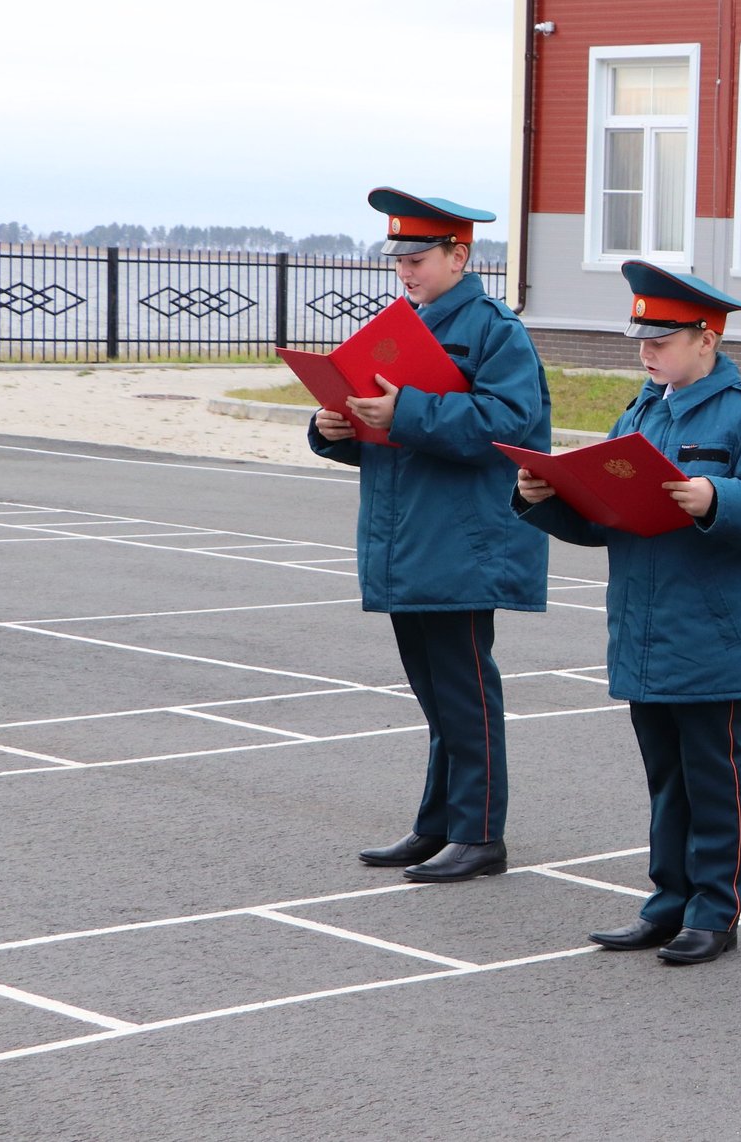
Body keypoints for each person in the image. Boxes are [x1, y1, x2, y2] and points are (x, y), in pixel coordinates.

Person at [514, 261, 741, 965]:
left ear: (707, 339)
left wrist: (717, 499)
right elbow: (606, 517)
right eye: (641, 339)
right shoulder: (641, 409)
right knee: (665, 775)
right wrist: (543, 497)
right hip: (647, 625)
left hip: (713, 628)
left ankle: (714, 909)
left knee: (713, 773)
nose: (647, 352)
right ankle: (667, 901)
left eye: (662, 339)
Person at [313, 187, 550, 884]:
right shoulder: (399, 326)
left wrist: (404, 410)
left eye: (418, 258)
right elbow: (390, 431)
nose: (406, 271)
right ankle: (438, 824)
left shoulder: (494, 330)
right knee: (434, 690)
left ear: (459, 255)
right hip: (409, 533)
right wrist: (336, 428)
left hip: (462, 538)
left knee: (465, 688)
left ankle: (480, 834)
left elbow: (507, 425)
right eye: (399, 260)